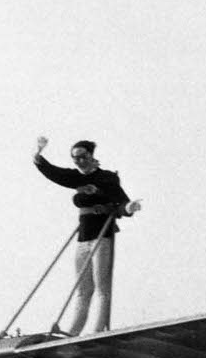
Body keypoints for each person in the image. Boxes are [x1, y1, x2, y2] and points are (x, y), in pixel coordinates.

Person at [33, 136, 142, 335]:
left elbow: (122, 201)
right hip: (83, 238)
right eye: (75, 158)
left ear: (91, 156)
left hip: (102, 236)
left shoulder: (107, 178)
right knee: (83, 288)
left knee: (101, 286)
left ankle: (97, 330)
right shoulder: (78, 177)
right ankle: (74, 332)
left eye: (82, 157)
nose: (79, 161)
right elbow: (55, 173)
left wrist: (129, 208)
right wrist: (39, 155)